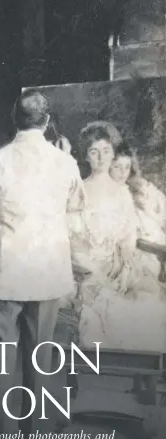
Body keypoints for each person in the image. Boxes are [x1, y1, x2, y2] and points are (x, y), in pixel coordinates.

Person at [0, 89, 86, 439]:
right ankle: (33, 435)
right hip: (48, 272)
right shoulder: (65, 163)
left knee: (1, 353)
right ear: (47, 122)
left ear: (13, 119)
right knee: (40, 351)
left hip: (6, 273)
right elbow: (77, 212)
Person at [69, 122, 166, 353]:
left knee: (149, 296)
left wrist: (124, 261)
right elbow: (72, 240)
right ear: (86, 157)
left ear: (112, 152)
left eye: (105, 151)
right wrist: (96, 269)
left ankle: (147, 366)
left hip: (118, 267)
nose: (101, 157)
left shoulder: (122, 192)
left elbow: (127, 234)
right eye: (94, 152)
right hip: (88, 268)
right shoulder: (78, 191)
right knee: (107, 304)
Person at [109, 142, 166, 296]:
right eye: (117, 167)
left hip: (151, 248)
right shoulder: (109, 195)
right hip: (132, 253)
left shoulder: (139, 190)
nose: (123, 172)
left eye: (127, 167)